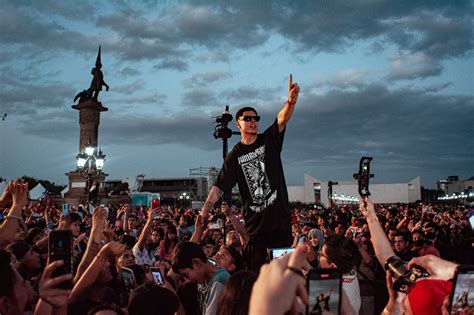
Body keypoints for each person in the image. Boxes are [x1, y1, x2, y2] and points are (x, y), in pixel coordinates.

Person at [200, 74, 300, 272]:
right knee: (257, 279)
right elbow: (219, 187)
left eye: (256, 118)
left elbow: (282, 119)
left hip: (280, 225)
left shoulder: (268, 140)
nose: (253, 122)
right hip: (256, 231)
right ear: (238, 123)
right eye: (248, 119)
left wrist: (291, 101)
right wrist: (205, 210)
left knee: (284, 276)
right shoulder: (234, 156)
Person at [172, 241, 230, 315]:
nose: (187, 280)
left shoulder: (219, 281)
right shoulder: (203, 278)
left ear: (196, 263)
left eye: (186, 275)